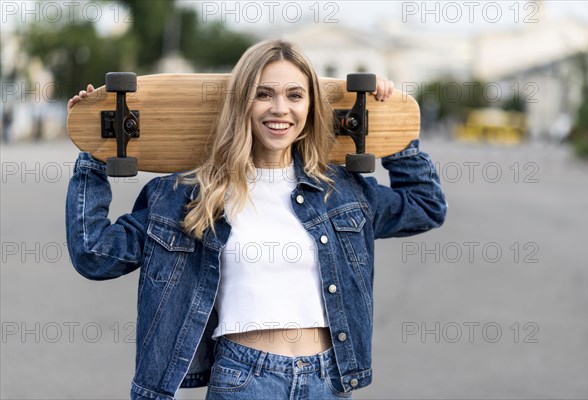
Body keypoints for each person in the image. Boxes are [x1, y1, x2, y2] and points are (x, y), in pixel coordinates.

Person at [66, 39, 446, 400]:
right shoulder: (188, 195)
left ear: (311, 107)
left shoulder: (341, 191)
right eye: (263, 94)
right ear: (241, 104)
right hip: (245, 379)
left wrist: (393, 128)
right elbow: (95, 253)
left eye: (294, 95)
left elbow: (425, 205)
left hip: (329, 380)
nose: (280, 108)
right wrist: (93, 153)